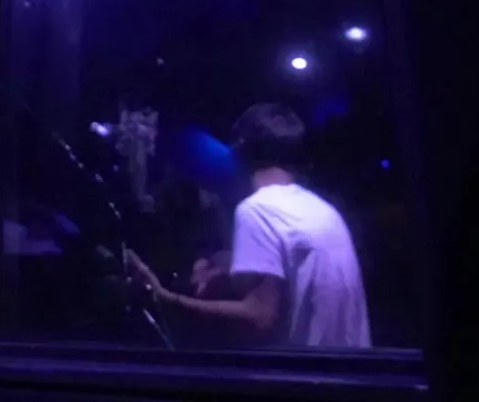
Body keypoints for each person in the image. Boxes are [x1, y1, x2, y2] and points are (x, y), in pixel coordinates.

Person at [125, 103, 371, 347]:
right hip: (348, 368)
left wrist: (167, 298)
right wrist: (225, 266)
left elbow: (259, 316)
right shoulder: (323, 210)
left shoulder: (257, 210)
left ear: (240, 151)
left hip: (300, 372)